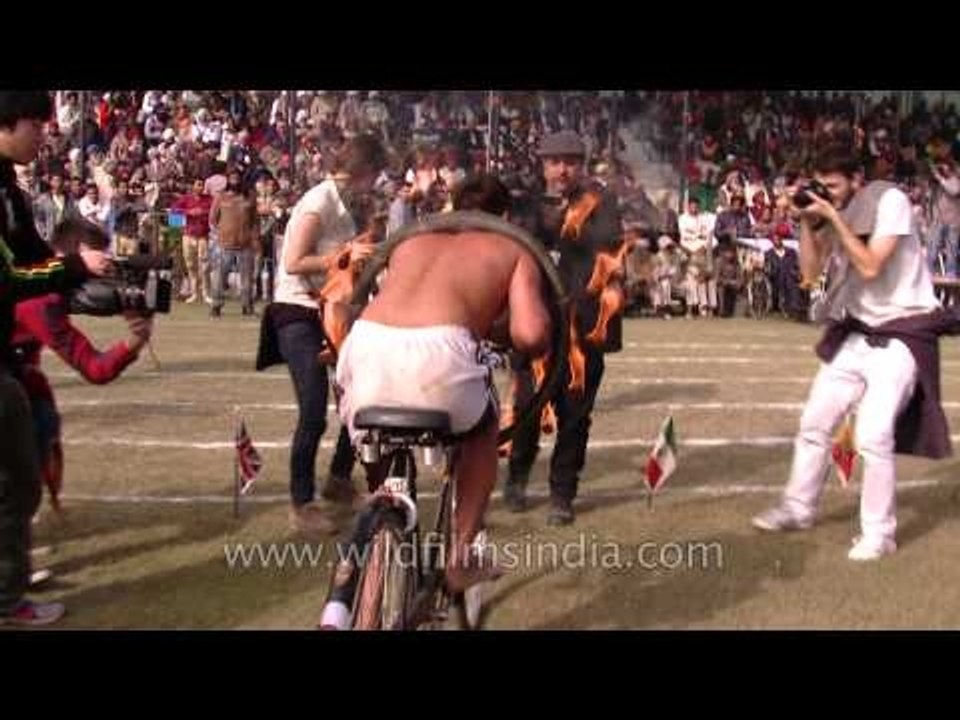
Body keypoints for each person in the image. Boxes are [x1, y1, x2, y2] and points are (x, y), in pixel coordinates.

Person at [335, 175, 552, 591]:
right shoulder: (512, 246)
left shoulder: (411, 241)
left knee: (372, 427)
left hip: (366, 343)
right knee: (483, 428)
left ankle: (382, 504)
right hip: (442, 351)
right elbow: (531, 335)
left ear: (455, 205)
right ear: (504, 215)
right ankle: (460, 557)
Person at [752, 143, 942, 561]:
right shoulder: (829, 208)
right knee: (814, 420)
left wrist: (834, 217)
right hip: (858, 330)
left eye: (835, 186)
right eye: (824, 186)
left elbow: (871, 265)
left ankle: (879, 534)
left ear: (857, 179)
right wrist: (806, 221)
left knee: (873, 433)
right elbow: (809, 274)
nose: (829, 194)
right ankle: (798, 508)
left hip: (902, 332)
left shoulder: (889, 199)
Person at [0, 91, 111, 626]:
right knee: (17, 475)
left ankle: (11, 582)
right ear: (6, 124)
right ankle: (8, 595)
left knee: (21, 473)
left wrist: (88, 271)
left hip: (7, 362)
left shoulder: (7, 186)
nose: (45, 135)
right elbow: (13, 278)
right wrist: (72, 268)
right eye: (36, 125)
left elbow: (31, 256)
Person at [263, 134, 386, 536]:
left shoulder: (346, 205)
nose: (376, 184)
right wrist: (344, 255)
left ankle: (338, 479)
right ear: (363, 171)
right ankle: (301, 502)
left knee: (359, 397)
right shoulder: (319, 202)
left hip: (330, 310)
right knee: (314, 410)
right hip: (296, 311)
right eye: (375, 175)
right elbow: (294, 261)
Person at [503, 130, 624, 526]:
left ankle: (561, 493)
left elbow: (606, 248)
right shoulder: (526, 204)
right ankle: (517, 478)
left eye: (570, 161)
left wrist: (565, 220)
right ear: (543, 165)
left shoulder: (601, 203)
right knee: (526, 407)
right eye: (555, 161)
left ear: (582, 165)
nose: (562, 169)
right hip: (535, 321)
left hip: (583, 325)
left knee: (574, 415)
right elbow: (515, 245)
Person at [12, 218, 152, 517]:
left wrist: (136, 338)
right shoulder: (38, 298)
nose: (103, 273)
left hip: (17, 377)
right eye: (98, 261)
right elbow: (95, 368)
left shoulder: (38, 278)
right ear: (77, 253)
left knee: (40, 411)